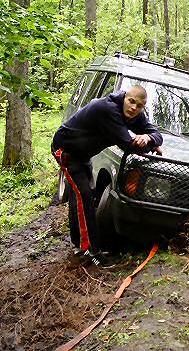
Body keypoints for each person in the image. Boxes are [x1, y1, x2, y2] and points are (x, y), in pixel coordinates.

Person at [51, 85, 163, 266]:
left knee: (81, 196)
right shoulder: (108, 109)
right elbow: (127, 144)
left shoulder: (135, 114)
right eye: (131, 101)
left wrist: (149, 138)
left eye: (139, 105)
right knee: (84, 196)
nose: (133, 108)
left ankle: (79, 244)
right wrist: (148, 143)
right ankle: (91, 251)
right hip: (67, 152)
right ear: (125, 97)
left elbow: (156, 134)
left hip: (84, 155)